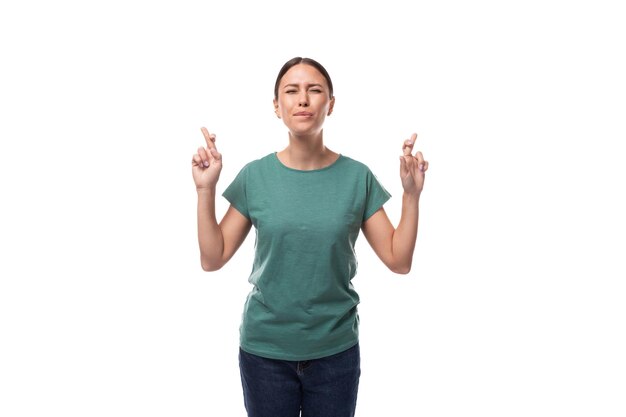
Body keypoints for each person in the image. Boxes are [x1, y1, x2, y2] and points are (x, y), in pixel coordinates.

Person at [191, 57, 429, 417]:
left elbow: (399, 260)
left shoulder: (357, 177)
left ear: (330, 104)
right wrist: (205, 190)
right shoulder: (255, 177)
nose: (303, 99)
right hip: (265, 352)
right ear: (277, 106)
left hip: (335, 353)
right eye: (291, 91)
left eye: (314, 90)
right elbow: (213, 258)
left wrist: (411, 196)